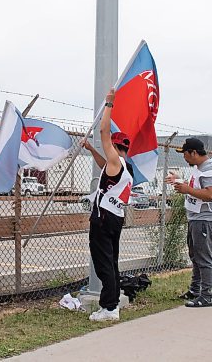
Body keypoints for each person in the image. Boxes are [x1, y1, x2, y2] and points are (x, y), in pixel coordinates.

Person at [82, 88, 134, 321]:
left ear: (114, 146)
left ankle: (110, 308)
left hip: (103, 217)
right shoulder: (124, 167)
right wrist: (92, 150)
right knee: (110, 260)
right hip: (116, 217)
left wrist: (109, 104)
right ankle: (112, 304)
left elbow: (103, 129)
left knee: (103, 261)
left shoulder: (116, 160)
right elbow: (105, 164)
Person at [165, 138, 212, 308]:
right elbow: (198, 189)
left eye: (185, 154)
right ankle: (195, 290)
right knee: (196, 256)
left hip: (204, 221)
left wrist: (187, 189)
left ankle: (206, 296)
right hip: (196, 219)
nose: (184, 158)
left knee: (203, 258)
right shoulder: (200, 169)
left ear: (193, 153)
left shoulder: (210, 169)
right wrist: (181, 182)